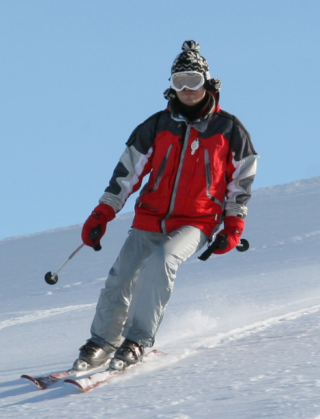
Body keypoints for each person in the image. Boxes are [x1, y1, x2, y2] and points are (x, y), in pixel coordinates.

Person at [73, 40, 258, 372]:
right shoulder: (156, 126)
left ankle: (137, 340)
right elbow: (126, 175)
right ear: (171, 86)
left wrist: (233, 226)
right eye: (179, 82)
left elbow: (240, 183)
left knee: (161, 262)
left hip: (197, 221)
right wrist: (102, 213)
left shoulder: (229, 130)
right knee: (121, 277)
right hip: (150, 217)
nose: (187, 89)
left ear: (207, 83)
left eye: (194, 81)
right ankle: (102, 342)